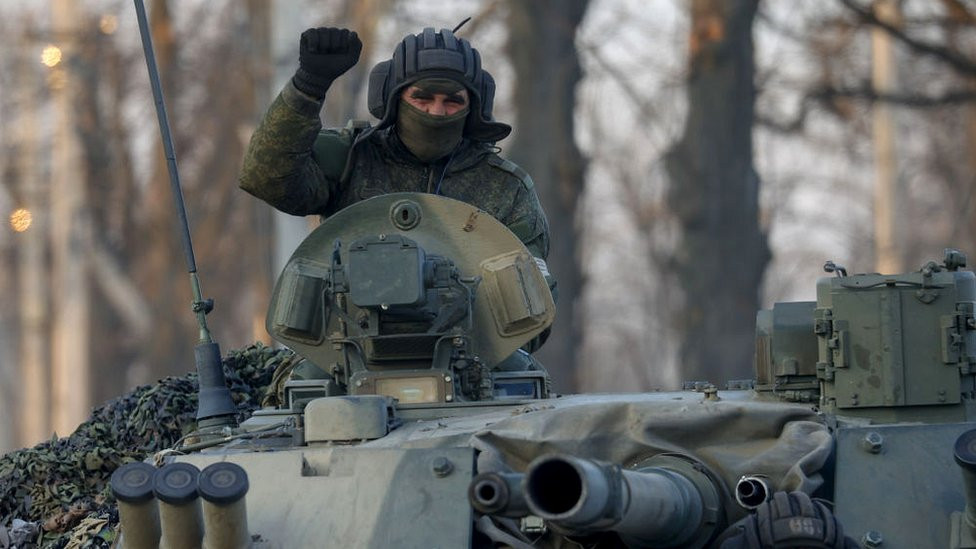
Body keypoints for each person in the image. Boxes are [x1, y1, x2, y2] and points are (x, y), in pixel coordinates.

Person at [239, 25, 553, 357]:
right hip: (346, 353)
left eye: (452, 101)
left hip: (472, 359)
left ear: (473, 107)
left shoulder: (504, 187)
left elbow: (533, 306)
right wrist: (307, 87)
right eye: (422, 97)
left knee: (522, 381)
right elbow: (266, 178)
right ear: (393, 97)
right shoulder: (350, 159)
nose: (436, 111)